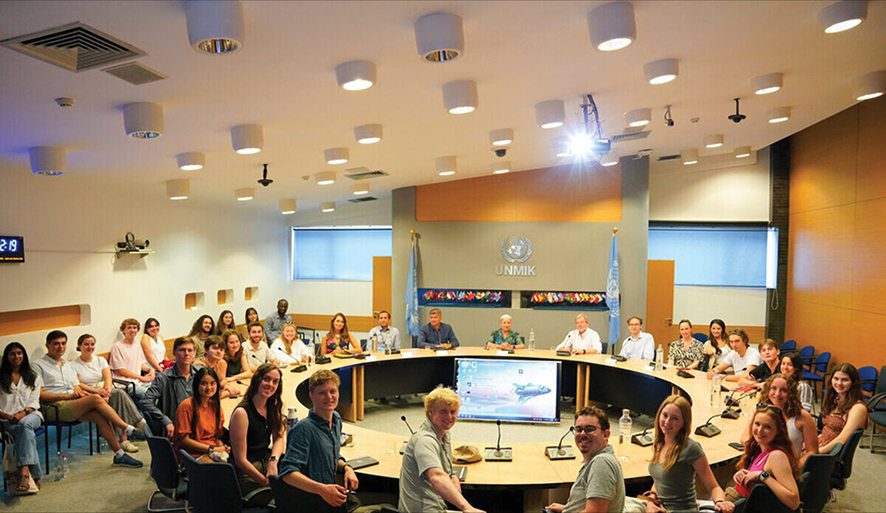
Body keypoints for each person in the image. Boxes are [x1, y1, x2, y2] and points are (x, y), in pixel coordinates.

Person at [33, 330, 143, 467]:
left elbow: (76, 386)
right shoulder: (38, 365)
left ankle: (119, 454)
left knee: (99, 415)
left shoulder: (67, 364)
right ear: (47, 345)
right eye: (56, 344)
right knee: (96, 399)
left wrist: (81, 394)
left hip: (71, 403)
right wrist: (69, 396)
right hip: (53, 407)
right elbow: (40, 395)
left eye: (63, 343)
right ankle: (127, 428)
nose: (60, 347)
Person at [280, 369, 359, 508]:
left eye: (333, 391)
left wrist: (347, 468)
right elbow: (288, 473)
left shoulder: (336, 419)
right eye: (322, 393)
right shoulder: (303, 429)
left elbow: (330, 452)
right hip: (313, 501)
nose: (329, 397)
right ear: (311, 396)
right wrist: (321, 489)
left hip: (329, 496)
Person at [399, 386, 484, 513]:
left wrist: (452, 476)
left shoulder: (444, 433)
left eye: (453, 411)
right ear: (429, 413)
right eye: (443, 411)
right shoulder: (424, 440)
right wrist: (467, 508)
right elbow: (436, 476)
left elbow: (443, 469)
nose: (449, 417)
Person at [642, 395, 732, 513]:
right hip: (660, 507)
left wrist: (720, 502)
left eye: (675, 418)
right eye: (665, 415)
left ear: (684, 423)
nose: (667, 422)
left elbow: (713, 486)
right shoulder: (659, 443)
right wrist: (651, 501)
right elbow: (660, 480)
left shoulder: (691, 448)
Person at [71, 334, 144, 453]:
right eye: (86, 344)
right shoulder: (73, 365)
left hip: (104, 390)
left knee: (117, 395)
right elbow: (78, 384)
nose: (90, 347)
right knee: (118, 395)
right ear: (79, 346)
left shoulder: (100, 360)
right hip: (88, 393)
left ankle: (125, 440)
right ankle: (135, 425)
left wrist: (106, 392)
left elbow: (108, 378)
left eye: (92, 344)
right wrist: (98, 392)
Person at [544, 406, 626, 513]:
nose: (582, 434)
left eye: (589, 429)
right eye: (578, 429)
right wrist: (567, 509)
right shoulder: (597, 460)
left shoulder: (602, 463)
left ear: (606, 435)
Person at [229, 363, 285, 506]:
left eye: (275, 382)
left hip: (264, 465)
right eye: (266, 379)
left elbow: (279, 438)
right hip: (244, 474)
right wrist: (264, 482)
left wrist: (273, 461)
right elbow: (240, 460)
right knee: (282, 503)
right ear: (257, 380)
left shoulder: (272, 406)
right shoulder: (242, 413)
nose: (270, 385)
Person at [727, 406, 801, 510]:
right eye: (757, 424)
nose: (760, 430)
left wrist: (763, 476)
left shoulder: (777, 456)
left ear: (779, 431)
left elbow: (794, 502)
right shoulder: (759, 448)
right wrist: (744, 475)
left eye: (767, 427)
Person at [744, 374, 818, 467]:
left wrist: (795, 469)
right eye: (773, 388)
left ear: (791, 394)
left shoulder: (803, 417)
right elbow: (745, 439)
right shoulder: (763, 412)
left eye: (783, 390)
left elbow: (812, 451)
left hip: (787, 469)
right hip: (761, 465)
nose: (777, 394)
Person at [0, 342, 44, 493]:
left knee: (25, 425)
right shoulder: (1, 378)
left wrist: (22, 414)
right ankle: (36, 474)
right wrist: (6, 415)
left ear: (23, 356)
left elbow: (34, 401)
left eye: (19, 353)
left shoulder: (33, 376)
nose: (16, 356)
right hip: (7, 419)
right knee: (25, 432)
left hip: (32, 415)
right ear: (7, 357)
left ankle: (24, 473)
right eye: (12, 354)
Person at [139, 337, 198, 439]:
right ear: (174, 352)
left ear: (194, 353)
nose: (186, 353)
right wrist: (165, 420)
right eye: (182, 350)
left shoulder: (200, 374)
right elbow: (145, 401)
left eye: (190, 350)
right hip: (177, 428)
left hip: (197, 424)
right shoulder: (164, 377)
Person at [173, 367, 228, 463]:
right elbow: (184, 441)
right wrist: (211, 449)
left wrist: (222, 448)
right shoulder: (187, 406)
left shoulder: (216, 406)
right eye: (204, 384)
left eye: (212, 383)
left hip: (210, 451)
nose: (209, 388)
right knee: (222, 472)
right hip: (191, 455)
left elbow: (217, 437)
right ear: (196, 385)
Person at [819, 363, 868, 454]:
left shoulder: (858, 408)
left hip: (830, 453)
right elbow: (827, 431)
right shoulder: (836, 400)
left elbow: (842, 440)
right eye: (836, 379)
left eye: (844, 380)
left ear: (853, 383)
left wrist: (816, 452)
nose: (839, 383)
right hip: (822, 444)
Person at [109, 318, 155, 399]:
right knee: (150, 395)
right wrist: (141, 378)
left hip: (138, 382)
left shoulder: (137, 343)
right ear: (123, 330)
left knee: (160, 389)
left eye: (134, 328)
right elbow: (121, 371)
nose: (132, 330)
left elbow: (140, 364)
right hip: (125, 384)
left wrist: (151, 370)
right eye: (129, 328)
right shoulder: (117, 347)